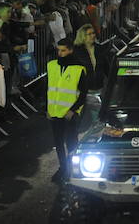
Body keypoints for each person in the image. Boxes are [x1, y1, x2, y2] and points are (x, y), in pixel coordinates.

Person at [47, 37, 86, 183]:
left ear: (70, 50)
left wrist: (74, 111)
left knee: (71, 143)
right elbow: (49, 89)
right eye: (58, 50)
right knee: (58, 143)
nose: (60, 53)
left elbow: (83, 94)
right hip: (55, 112)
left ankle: (71, 169)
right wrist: (47, 109)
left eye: (63, 50)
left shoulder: (79, 68)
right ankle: (63, 168)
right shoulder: (51, 66)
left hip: (70, 114)